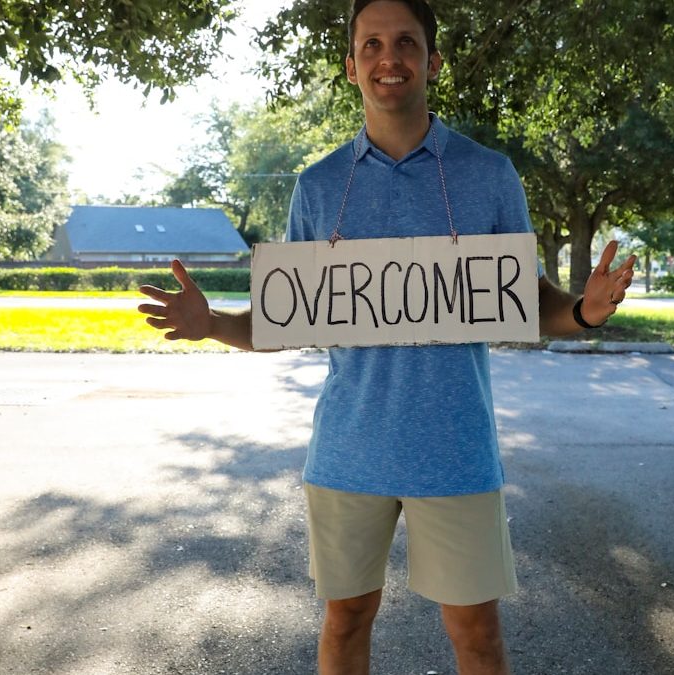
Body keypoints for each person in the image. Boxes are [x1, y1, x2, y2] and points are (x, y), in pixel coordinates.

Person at [138, 1, 636, 673]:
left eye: (406, 42)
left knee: (477, 634)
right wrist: (214, 324)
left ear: (433, 61)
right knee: (345, 621)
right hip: (349, 449)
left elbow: (528, 299)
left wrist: (583, 310)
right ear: (351, 67)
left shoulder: (489, 174)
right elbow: (288, 315)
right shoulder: (317, 188)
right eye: (371, 44)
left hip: (455, 446)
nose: (388, 57)